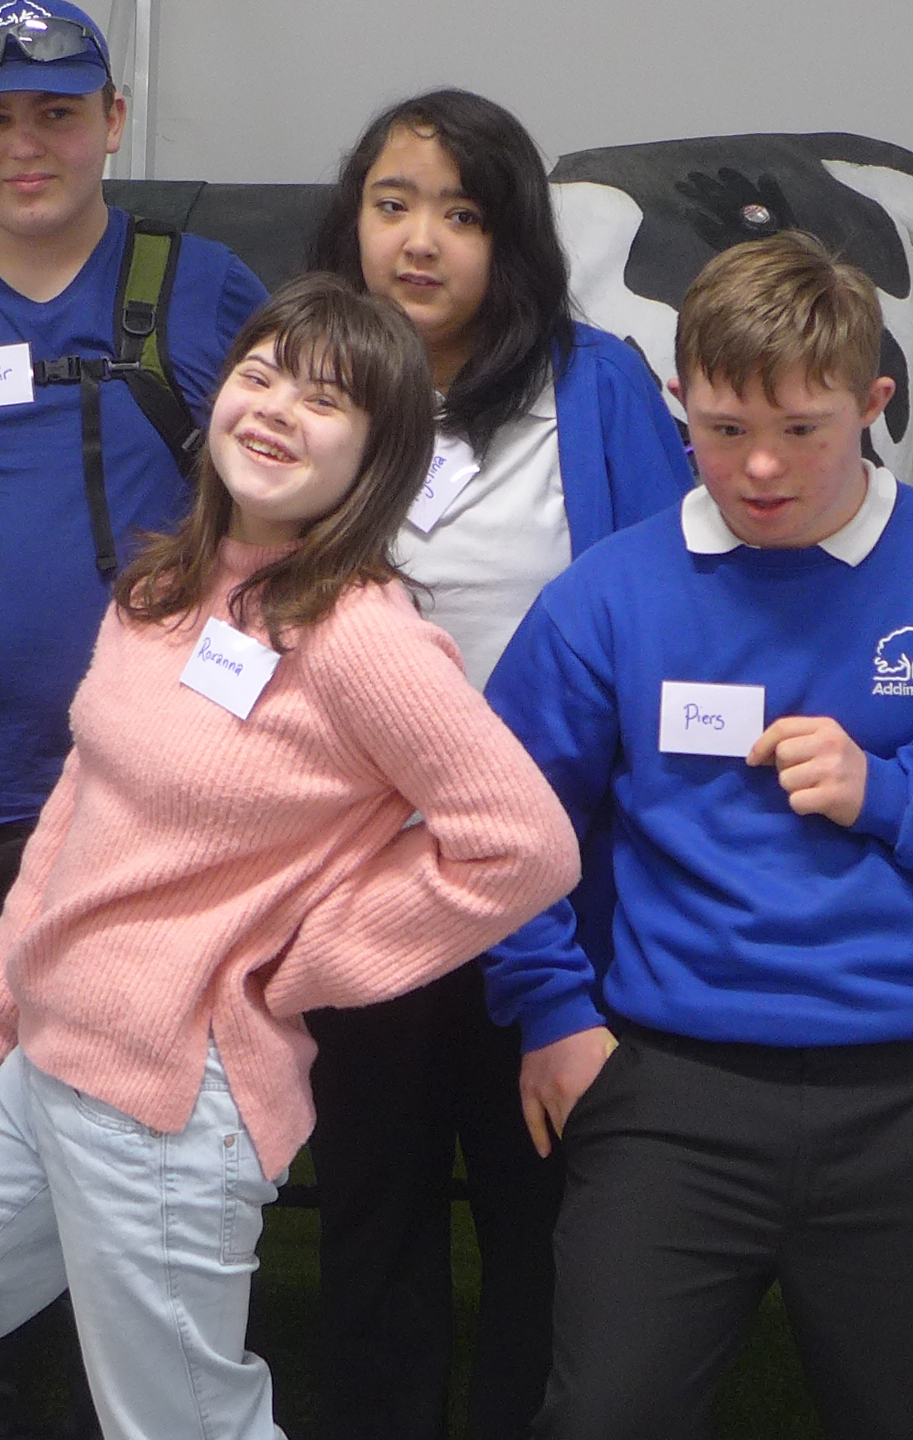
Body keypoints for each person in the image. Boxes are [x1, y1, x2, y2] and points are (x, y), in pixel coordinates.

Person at [0, 272, 579, 1440]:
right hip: (44, 1053)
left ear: (376, 453)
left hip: (166, 1096)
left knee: (179, 1426)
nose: (273, 409)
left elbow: (521, 844)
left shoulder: (360, 632)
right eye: (260, 375)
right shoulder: (164, 583)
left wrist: (306, 962)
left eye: (325, 400)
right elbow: (79, 805)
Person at [482, 232, 913, 1440]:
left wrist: (890, 791)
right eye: (725, 429)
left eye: (803, 428)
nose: (761, 469)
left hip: (906, 1094)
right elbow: (500, 819)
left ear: (872, 404)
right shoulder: (610, 595)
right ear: (680, 401)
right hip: (668, 1091)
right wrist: (552, 1013)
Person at [299, 87, 689, 1440]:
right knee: (373, 1218)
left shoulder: (601, 387)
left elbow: (666, 626)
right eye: (394, 203)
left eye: (462, 214)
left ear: (512, 240)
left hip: (548, 891)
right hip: (357, 892)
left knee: (546, 1229)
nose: (421, 240)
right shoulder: (303, 385)